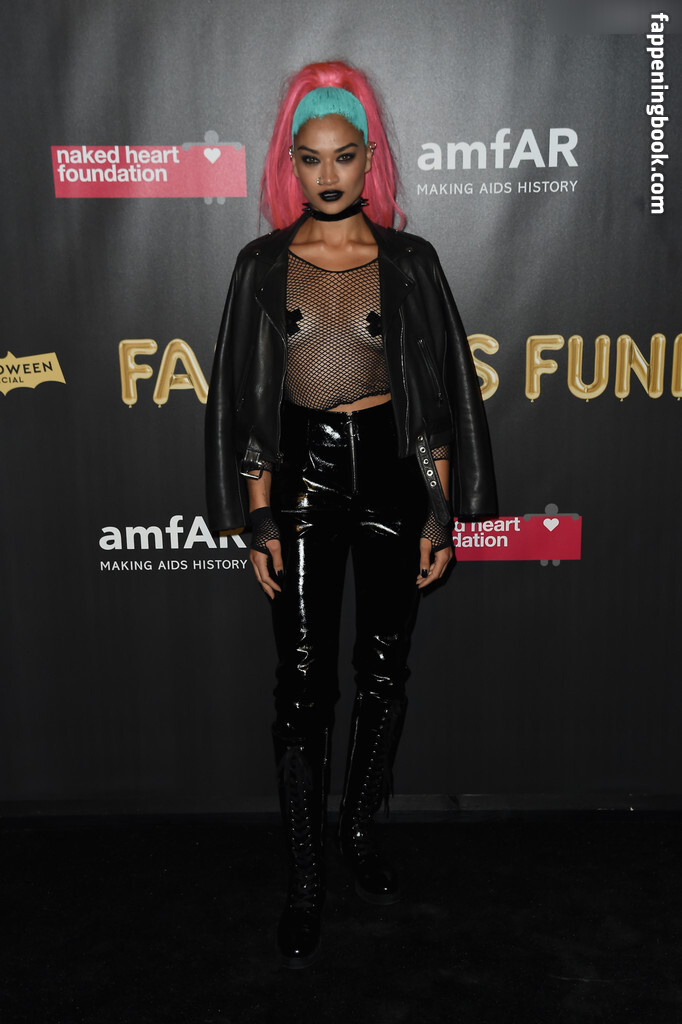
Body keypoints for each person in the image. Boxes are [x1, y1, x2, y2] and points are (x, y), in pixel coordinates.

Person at [205, 60, 497, 969]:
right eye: (311, 157)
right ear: (290, 164)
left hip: (393, 478)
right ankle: (304, 877)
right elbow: (251, 408)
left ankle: (360, 831)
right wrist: (259, 519)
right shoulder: (262, 265)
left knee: (382, 670)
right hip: (302, 480)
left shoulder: (411, 262)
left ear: (370, 159)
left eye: (344, 156)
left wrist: (440, 511)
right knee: (301, 685)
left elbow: (435, 398)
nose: (328, 174)